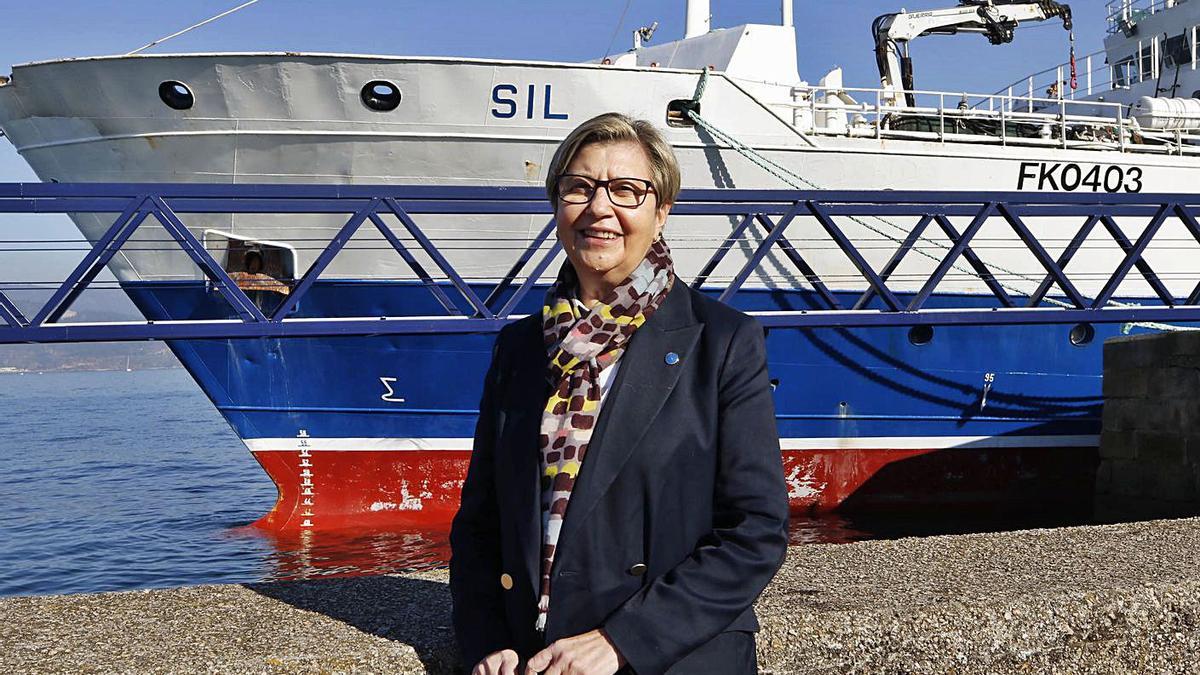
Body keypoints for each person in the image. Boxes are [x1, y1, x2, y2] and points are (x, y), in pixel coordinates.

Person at [449, 112, 789, 675]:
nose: (599, 208)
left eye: (627, 190)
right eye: (578, 188)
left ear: (662, 213)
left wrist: (622, 640)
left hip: (671, 658)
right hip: (536, 659)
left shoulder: (723, 341)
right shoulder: (521, 348)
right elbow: (481, 521)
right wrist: (486, 636)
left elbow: (755, 530)